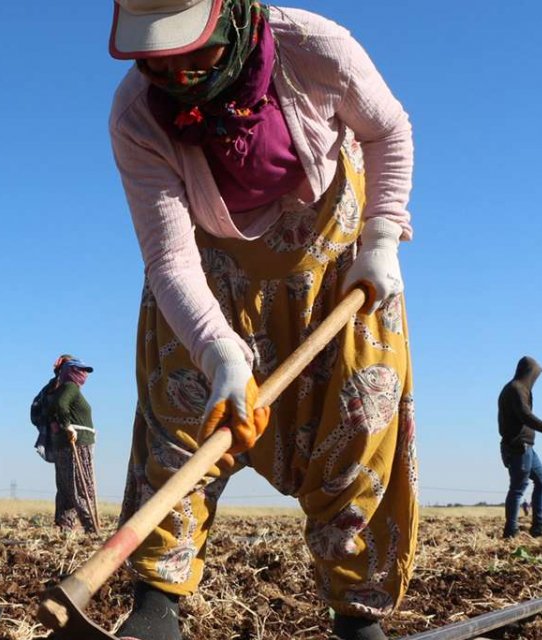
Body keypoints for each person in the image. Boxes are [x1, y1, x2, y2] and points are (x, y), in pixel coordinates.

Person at [107, 2, 418, 638]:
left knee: (359, 418)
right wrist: (219, 351)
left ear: (230, 16)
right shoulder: (137, 115)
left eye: (194, 51)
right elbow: (169, 256)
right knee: (182, 419)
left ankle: (358, 618)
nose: (178, 73)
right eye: (158, 57)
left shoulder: (315, 49)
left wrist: (381, 237)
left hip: (333, 261)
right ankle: (155, 607)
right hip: (209, 275)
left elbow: (389, 131)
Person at [498, 356, 542, 538]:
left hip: (528, 447)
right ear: (529, 373)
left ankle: (538, 526)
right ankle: (510, 531)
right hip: (518, 447)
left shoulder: (520, 389)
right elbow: (526, 416)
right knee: (518, 488)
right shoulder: (515, 389)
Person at [45, 357, 99, 533]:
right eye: (79, 370)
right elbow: (61, 406)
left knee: (67, 488)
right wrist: (69, 427)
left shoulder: (63, 388)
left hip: (65, 443)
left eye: (85, 371)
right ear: (69, 371)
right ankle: (92, 529)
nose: (83, 374)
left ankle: (64, 527)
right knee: (82, 487)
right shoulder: (70, 387)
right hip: (76, 444)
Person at [30, 355, 75, 462]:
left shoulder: (50, 387)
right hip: (63, 436)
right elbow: (59, 407)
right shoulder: (62, 387)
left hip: (57, 436)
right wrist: (54, 422)